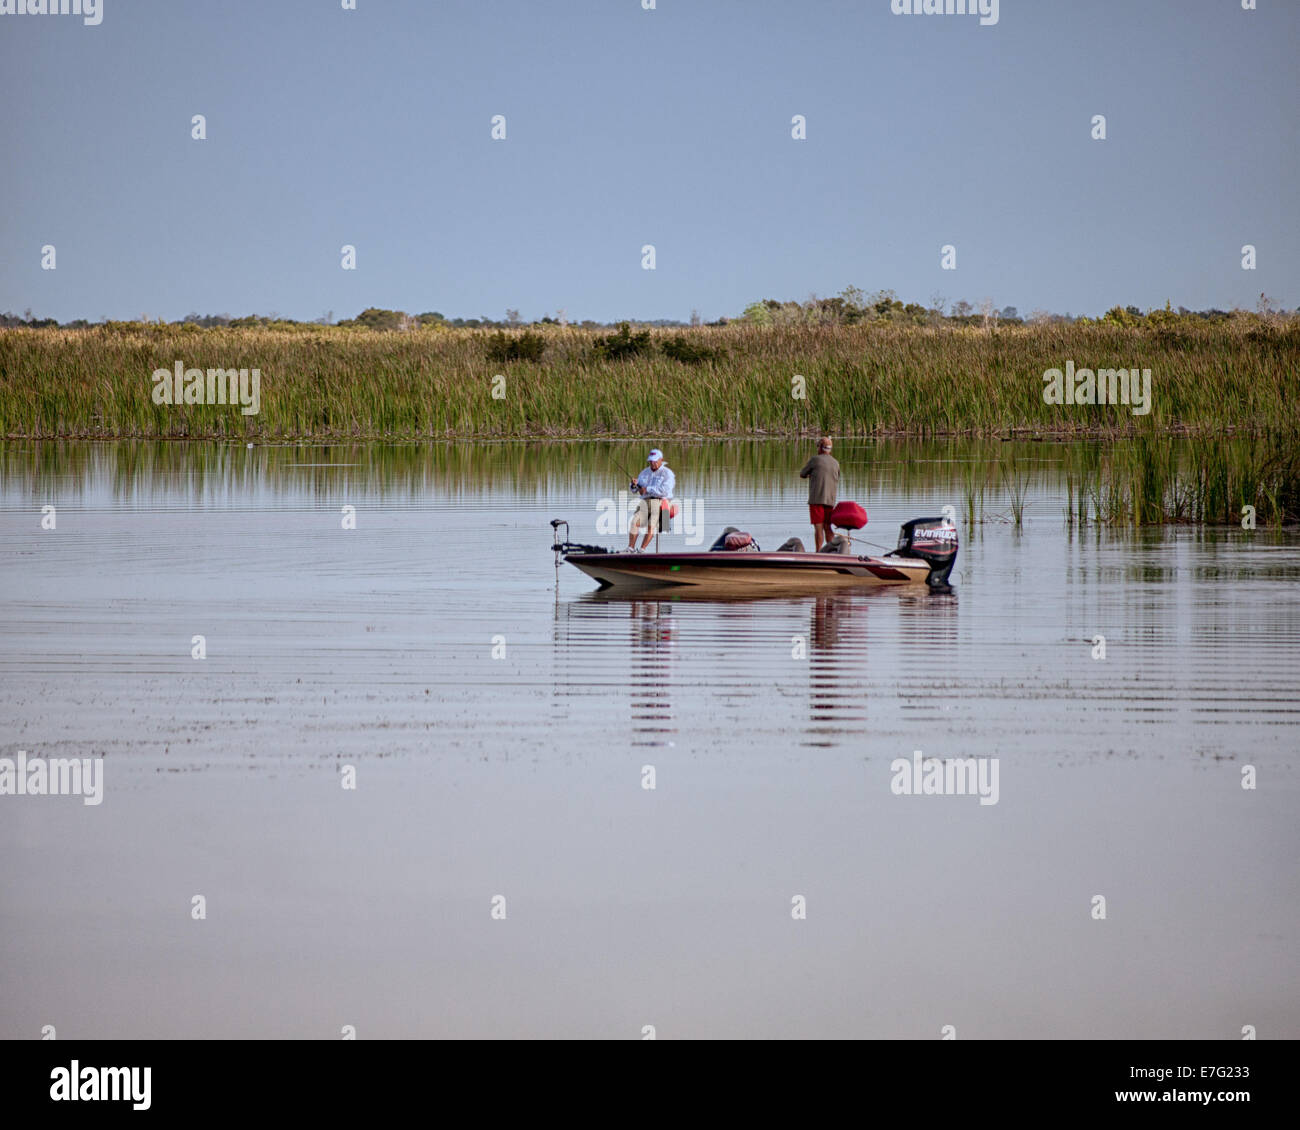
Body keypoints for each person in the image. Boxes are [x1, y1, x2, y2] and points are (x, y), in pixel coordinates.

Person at [628, 448, 676, 550]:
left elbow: (665, 491)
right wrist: (634, 485)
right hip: (645, 502)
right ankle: (630, 548)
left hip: (660, 502)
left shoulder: (667, 473)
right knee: (634, 522)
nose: (652, 463)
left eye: (654, 461)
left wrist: (647, 489)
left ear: (661, 460)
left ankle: (642, 550)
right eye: (650, 461)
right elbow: (635, 490)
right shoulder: (644, 472)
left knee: (651, 525)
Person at [799, 436, 840, 551]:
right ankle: (832, 552)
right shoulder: (836, 463)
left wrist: (810, 475)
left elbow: (802, 474)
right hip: (830, 501)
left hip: (816, 500)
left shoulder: (815, 460)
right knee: (828, 527)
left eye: (818, 446)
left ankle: (818, 552)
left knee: (818, 528)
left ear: (821, 448)